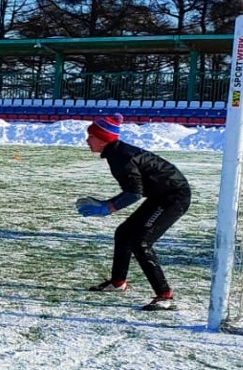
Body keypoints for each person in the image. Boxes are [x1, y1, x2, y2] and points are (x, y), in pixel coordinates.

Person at [77, 114, 191, 311]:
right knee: (123, 233)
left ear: (104, 138)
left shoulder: (121, 157)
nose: (87, 140)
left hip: (174, 198)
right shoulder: (116, 153)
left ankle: (165, 296)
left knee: (141, 242)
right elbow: (133, 189)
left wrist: (107, 208)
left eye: (91, 136)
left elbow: (134, 193)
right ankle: (118, 283)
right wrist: (107, 204)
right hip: (160, 195)